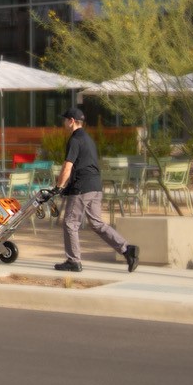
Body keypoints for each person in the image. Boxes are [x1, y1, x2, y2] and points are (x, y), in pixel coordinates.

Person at [49, 107, 139, 272]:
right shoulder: (88, 139)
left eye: (65, 120)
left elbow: (67, 167)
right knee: (97, 224)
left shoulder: (75, 140)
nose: (63, 123)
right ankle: (127, 249)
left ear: (72, 121)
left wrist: (58, 187)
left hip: (82, 188)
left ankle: (73, 261)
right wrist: (66, 188)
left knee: (70, 223)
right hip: (95, 187)